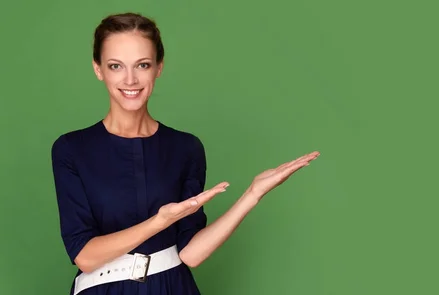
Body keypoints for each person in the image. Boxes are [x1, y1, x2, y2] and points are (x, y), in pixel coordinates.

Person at [50, 12, 319, 295]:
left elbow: (191, 254)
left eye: (142, 65)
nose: (130, 79)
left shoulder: (185, 148)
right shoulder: (72, 149)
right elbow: (85, 255)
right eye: (116, 66)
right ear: (98, 69)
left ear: (158, 68)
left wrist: (252, 194)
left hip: (173, 287)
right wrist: (160, 222)